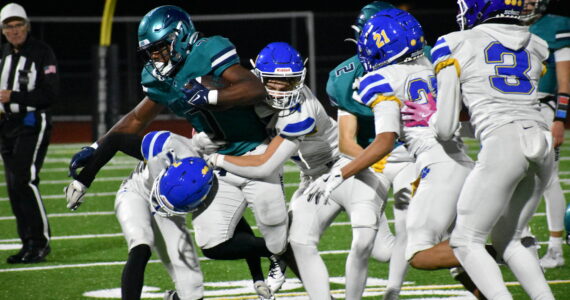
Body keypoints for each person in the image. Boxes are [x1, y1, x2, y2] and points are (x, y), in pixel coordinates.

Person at [67, 5, 289, 293]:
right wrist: (97, 146)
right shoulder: (158, 77)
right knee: (215, 243)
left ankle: (287, 260)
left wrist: (211, 94)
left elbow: (255, 89)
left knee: (278, 230)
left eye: (160, 47)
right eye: (150, 51)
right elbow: (137, 118)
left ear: (180, 36)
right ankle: (272, 258)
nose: (155, 56)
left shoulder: (207, 51)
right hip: (215, 155)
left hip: (254, 151)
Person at [207, 41, 388, 300]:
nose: (280, 90)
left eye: (288, 83)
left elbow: (266, 166)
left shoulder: (301, 110)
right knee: (298, 242)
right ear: (257, 77)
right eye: (272, 82)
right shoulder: (251, 97)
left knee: (382, 250)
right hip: (312, 178)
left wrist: (217, 158)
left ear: (299, 80)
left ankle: (450, 249)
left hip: (346, 169)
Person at [432, 0, 555, 299]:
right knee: (510, 239)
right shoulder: (537, 44)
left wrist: (430, 119)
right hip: (542, 141)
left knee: (465, 241)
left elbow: (446, 128)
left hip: (504, 143)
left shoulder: (454, 43)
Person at [65, 130, 276, 300]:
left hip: (172, 213)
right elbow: (116, 139)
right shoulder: (164, 147)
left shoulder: (213, 181)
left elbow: (236, 225)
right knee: (141, 245)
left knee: (192, 291)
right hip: (137, 193)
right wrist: (83, 180)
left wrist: (257, 277)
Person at [326, 2, 419, 298]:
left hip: (411, 157)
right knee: (368, 244)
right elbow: (346, 141)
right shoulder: (345, 76)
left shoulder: (421, 62)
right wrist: (373, 161)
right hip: (369, 160)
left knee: (409, 229)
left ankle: (392, 292)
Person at [0, 2, 59, 264]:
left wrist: (14, 95)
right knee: (13, 186)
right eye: (8, 26)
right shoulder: (3, 54)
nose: (14, 31)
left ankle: (40, 242)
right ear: (2, 30)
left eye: (18, 25)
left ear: (27, 26)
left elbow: (50, 93)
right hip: (6, 125)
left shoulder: (42, 52)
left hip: (33, 121)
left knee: (25, 179)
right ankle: (27, 244)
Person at [521, 0, 570, 269]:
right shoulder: (511, 26)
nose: (525, 4)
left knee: (548, 179)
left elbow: (565, 80)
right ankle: (523, 242)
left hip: (544, 109)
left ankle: (555, 249)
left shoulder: (557, 25)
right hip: (515, 109)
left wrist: (560, 119)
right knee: (516, 177)